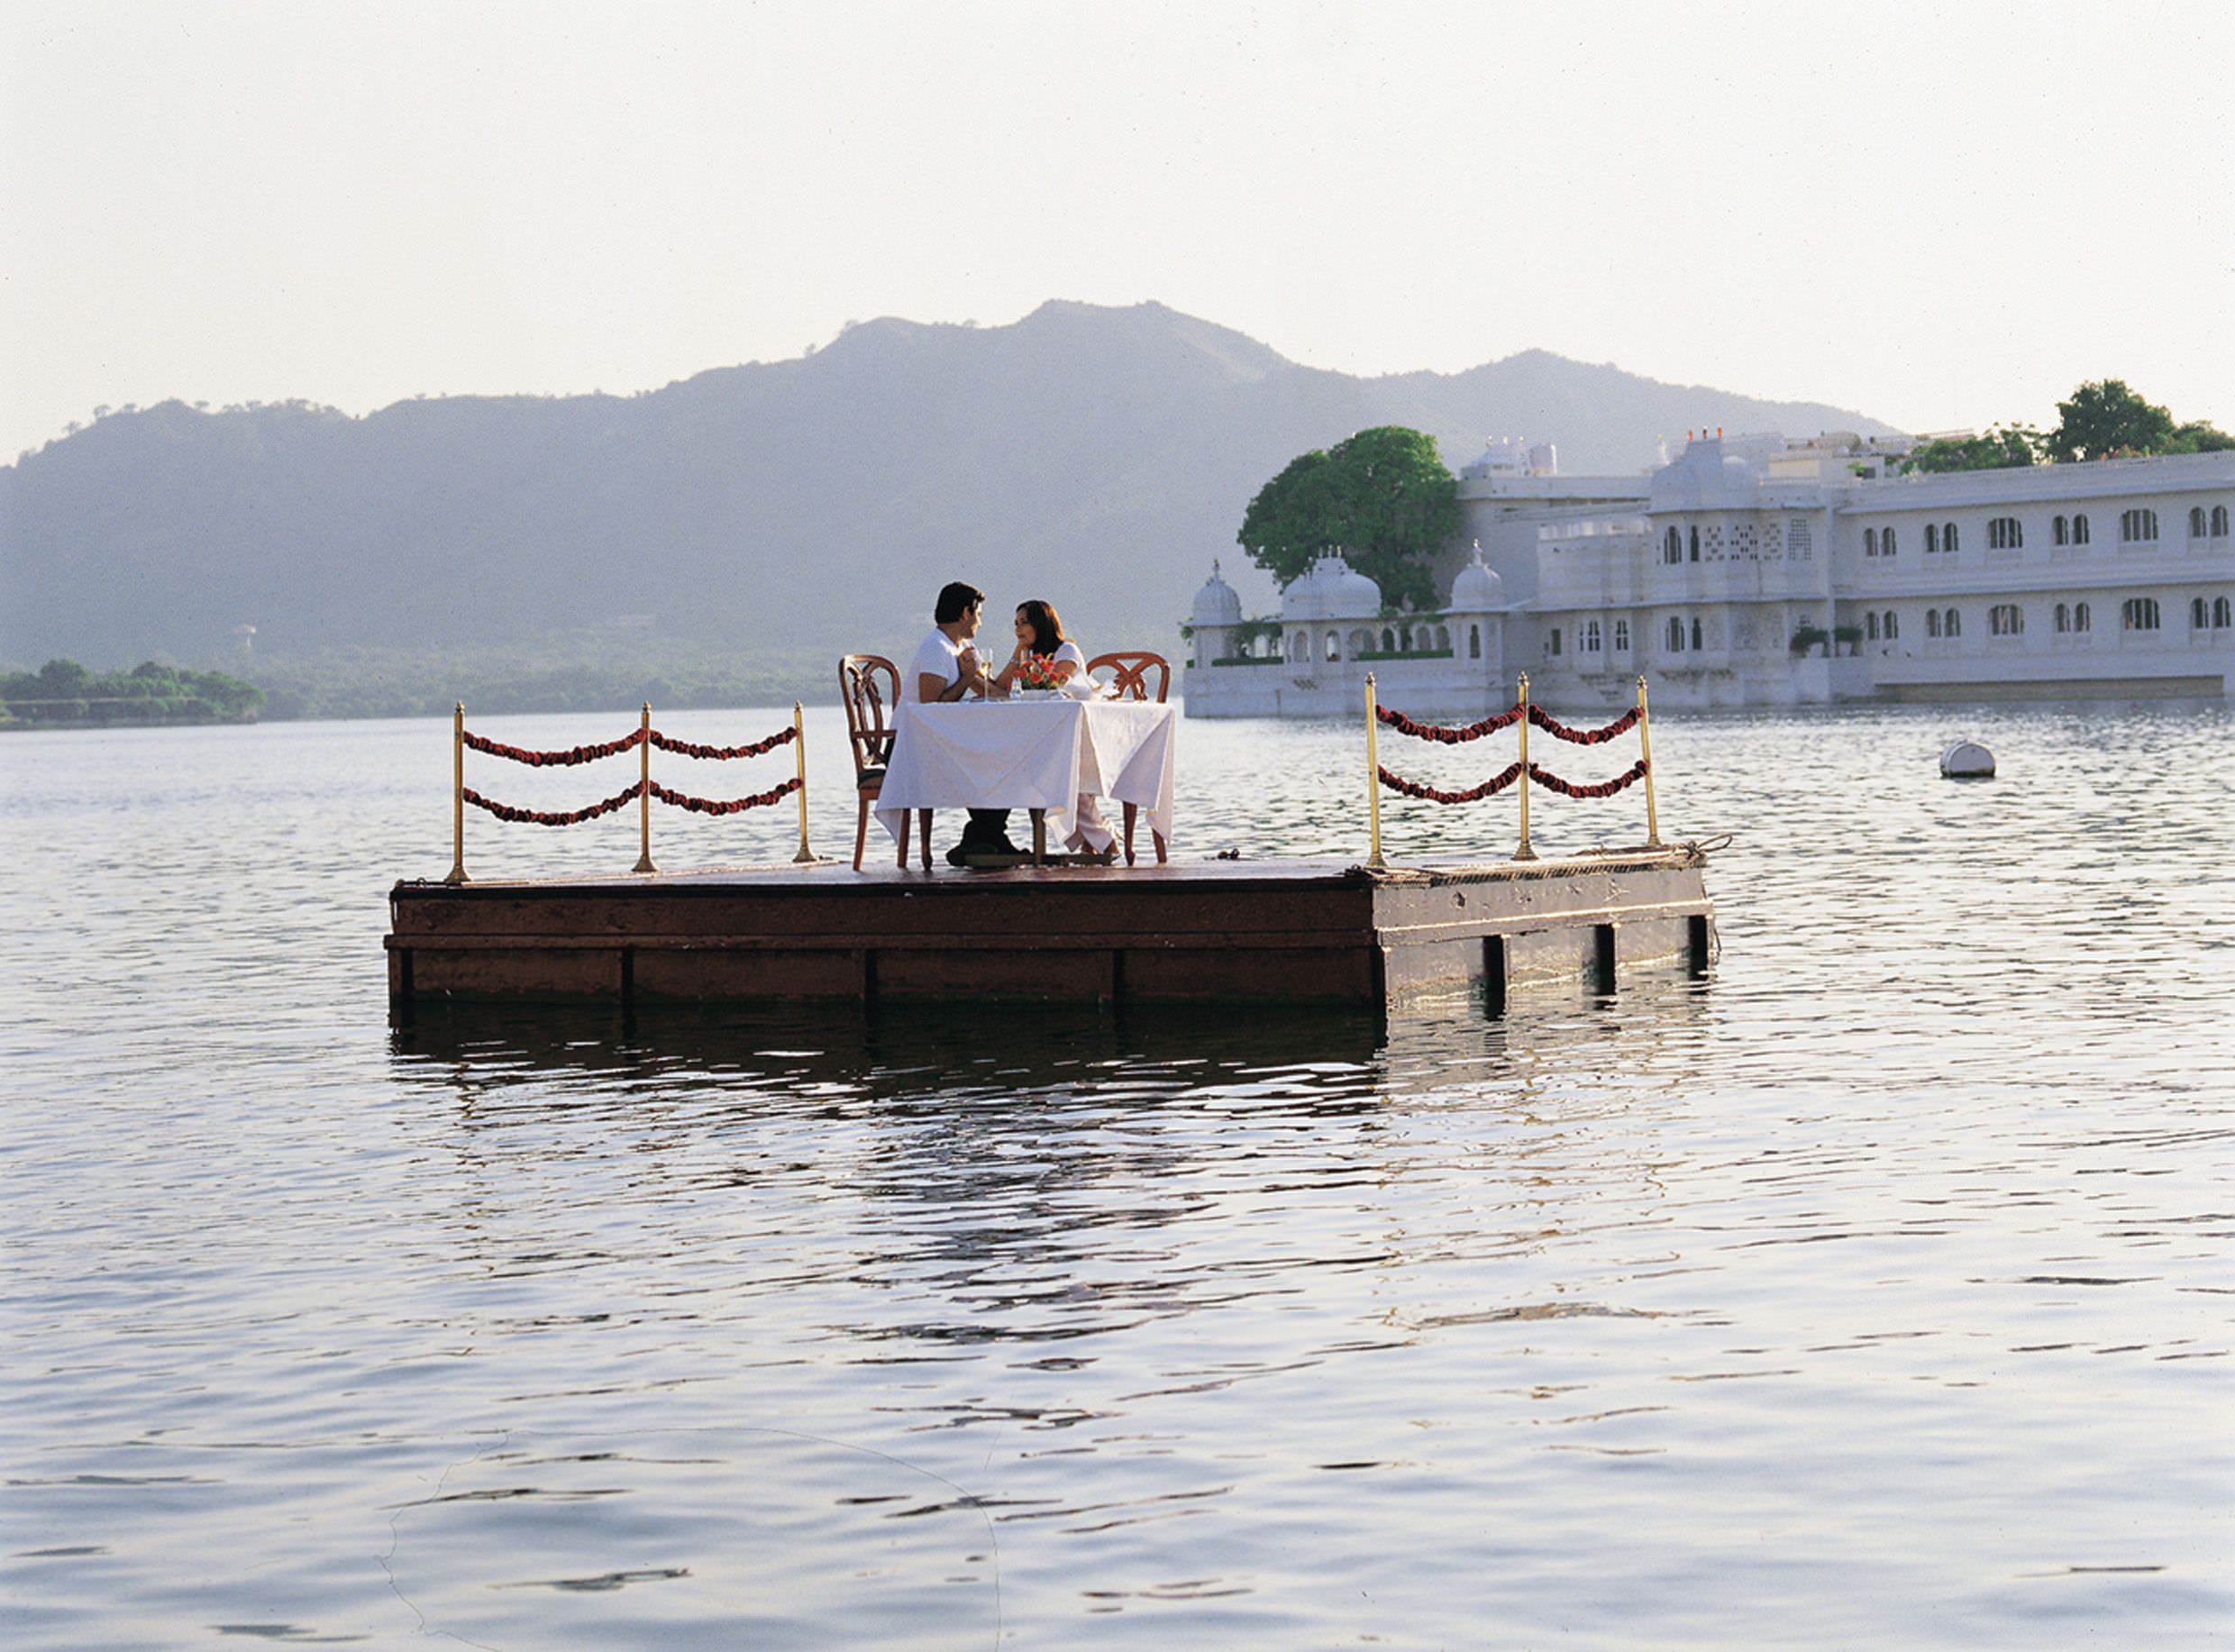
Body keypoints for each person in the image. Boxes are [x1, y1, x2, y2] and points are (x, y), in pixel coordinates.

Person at [903, 580, 1021, 865]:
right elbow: (930, 707)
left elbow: (984, 688)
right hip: (914, 742)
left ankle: (984, 838)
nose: (980, 622)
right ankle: (985, 837)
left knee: (1007, 757)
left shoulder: (963, 646)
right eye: (978, 615)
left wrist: (1015, 700)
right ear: (965, 613)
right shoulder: (936, 648)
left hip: (944, 739)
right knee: (990, 761)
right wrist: (967, 678)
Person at [991, 598, 1116, 858]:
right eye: (1015, 624)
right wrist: (1017, 651)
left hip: (1079, 736)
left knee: (1070, 786)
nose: (1018, 629)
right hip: (1047, 738)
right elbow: (1002, 687)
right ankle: (1091, 845)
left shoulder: (1066, 652)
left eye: (1024, 623)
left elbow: (1053, 685)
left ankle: (1107, 844)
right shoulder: (1028, 656)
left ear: (1041, 624)